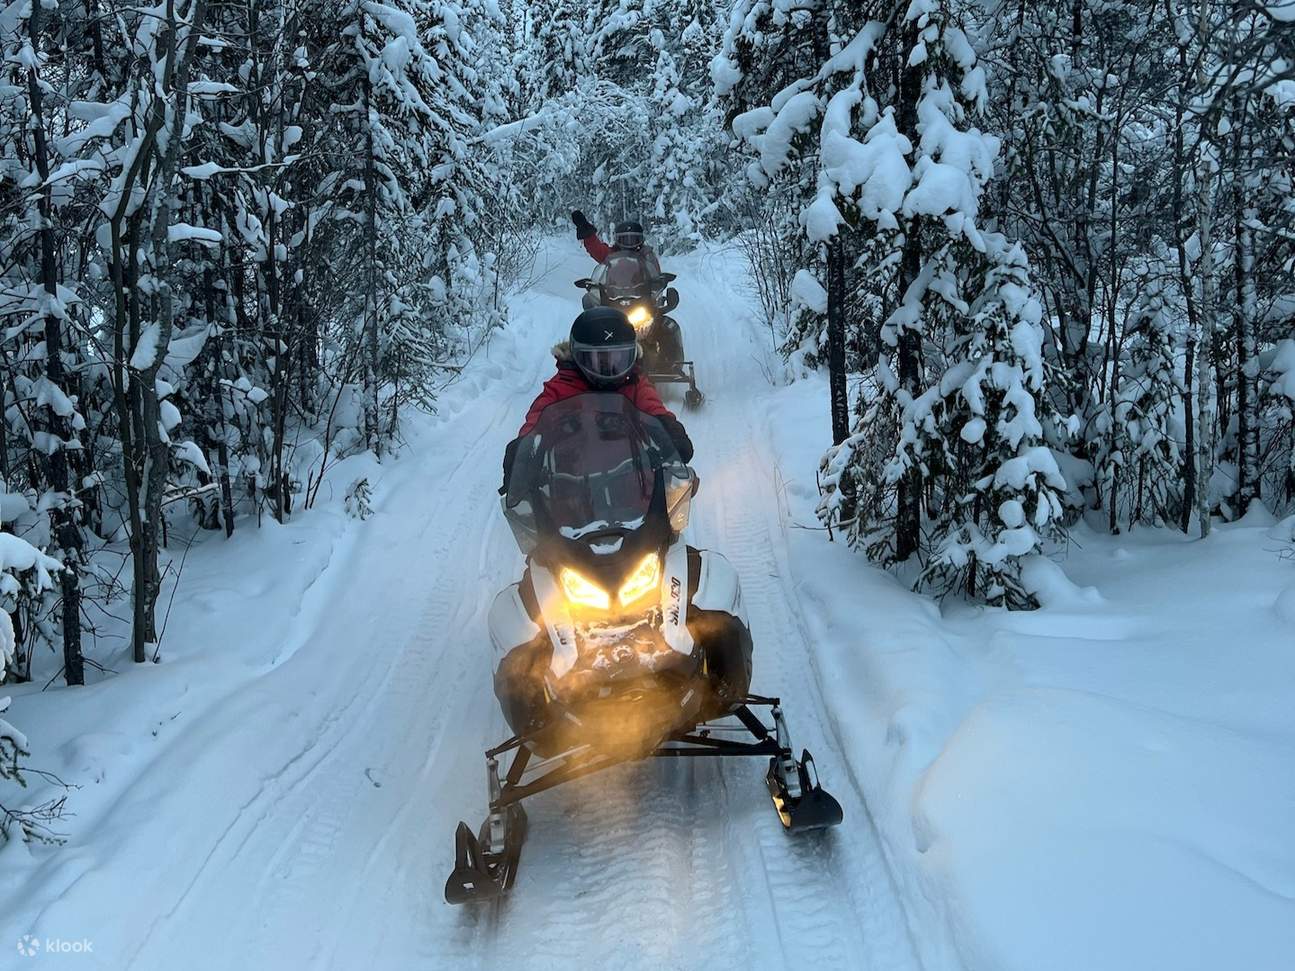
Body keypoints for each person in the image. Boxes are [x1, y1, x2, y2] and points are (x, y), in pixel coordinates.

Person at [500, 306, 692, 493]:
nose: (609, 369)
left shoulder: (634, 382)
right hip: (572, 481)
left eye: (619, 359)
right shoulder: (563, 386)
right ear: (577, 358)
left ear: (632, 356)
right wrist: (522, 451)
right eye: (598, 361)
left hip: (631, 478)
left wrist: (669, 429)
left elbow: (653, 407)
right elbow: (538, 416)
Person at [571, 211, 663, 278]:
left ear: (641, 239)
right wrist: (586, 231)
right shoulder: (613, 255)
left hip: (643, 296)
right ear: (618, 240)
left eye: (633, 239)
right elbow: (597, 250)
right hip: (614, 295)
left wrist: (659, 282)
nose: (629, 243)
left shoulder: (646, 254)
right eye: (624, 239)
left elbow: (656, 276)